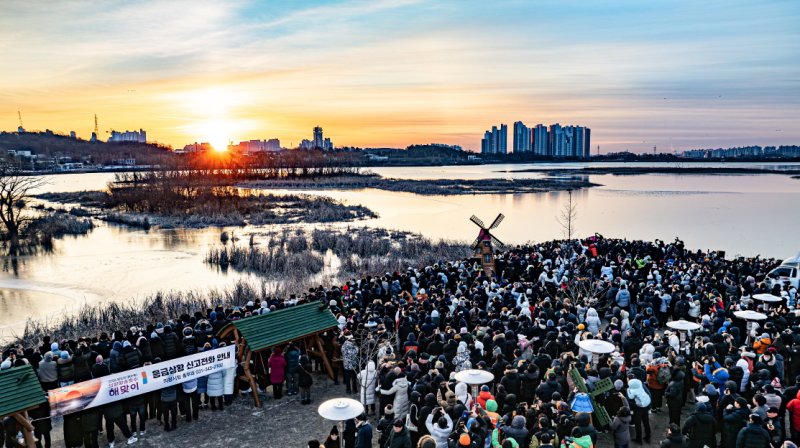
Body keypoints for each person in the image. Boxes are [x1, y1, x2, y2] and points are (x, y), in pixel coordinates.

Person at [626, 378, 652, 444]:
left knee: (638, 424)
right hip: (645, 406)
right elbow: (648, 393)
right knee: (646, 422)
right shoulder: (641, 385)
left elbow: (630, 399)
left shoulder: (631, 390)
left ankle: (639, 439)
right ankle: (648, 437)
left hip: (637, 409)